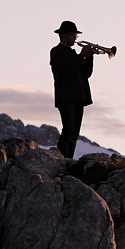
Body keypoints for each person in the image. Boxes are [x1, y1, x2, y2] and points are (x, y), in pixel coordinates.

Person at [50, 20, 94, 159]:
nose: (75, 38)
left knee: (74, 133)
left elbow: (86, 74)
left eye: (76, 35)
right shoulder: (56, 51)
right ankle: (60, 160)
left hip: (79, 96)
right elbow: (63, 69)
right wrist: (81, 56)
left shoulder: (75, 55)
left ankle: (68, 161)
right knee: (68, 130)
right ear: (62, 35)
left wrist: (90, 57)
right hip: (66, 96)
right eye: (72, 34)